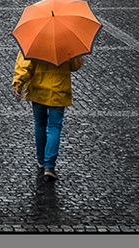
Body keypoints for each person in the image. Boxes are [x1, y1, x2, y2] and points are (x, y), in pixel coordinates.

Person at [12, 51, 86, 182]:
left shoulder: (34, 43)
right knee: (54, 127)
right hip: (58, 91)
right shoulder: (66, 43)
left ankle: (41, 160)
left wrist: (18, 85)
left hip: (38, 90)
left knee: (40, 124)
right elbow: (75, 66)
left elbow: (25, 64)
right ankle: (49, 166)